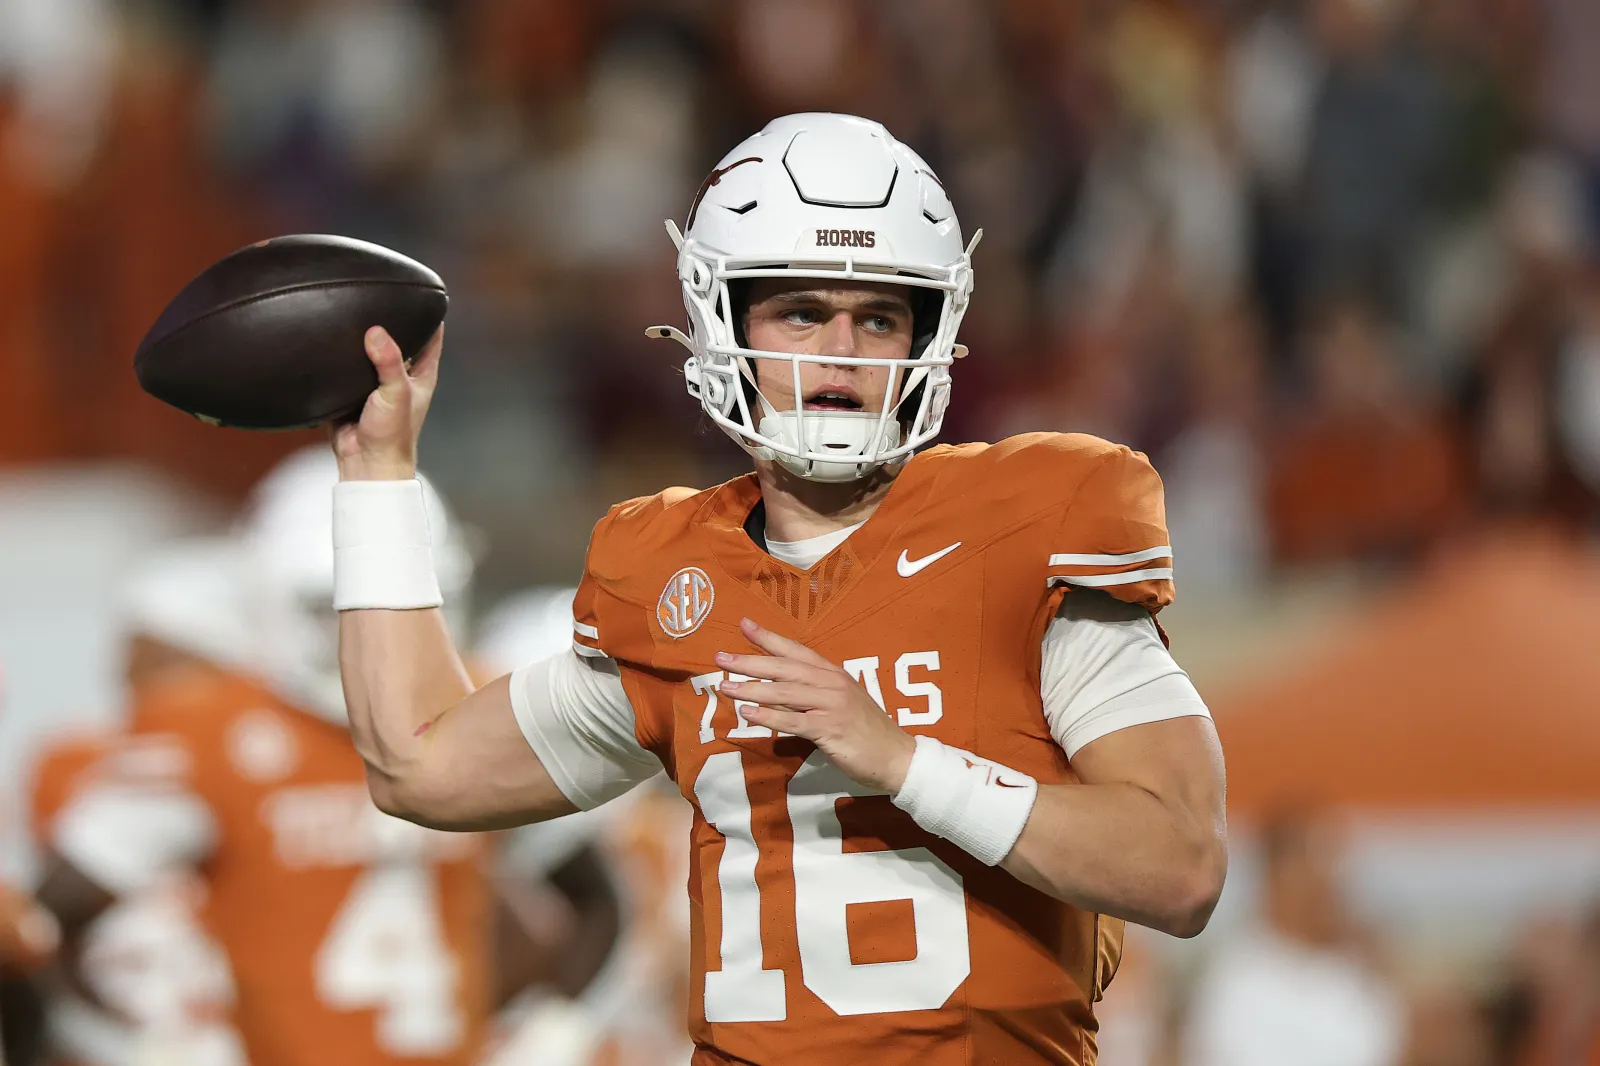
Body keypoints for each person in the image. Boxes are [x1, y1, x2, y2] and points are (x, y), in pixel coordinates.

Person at [334, 113, 1229, 1065]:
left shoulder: (1028, 528)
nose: (838, 350)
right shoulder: (673, 578)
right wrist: (379, 473)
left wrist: (903, 762)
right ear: (726, 324)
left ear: (926, 337)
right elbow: (416, 765)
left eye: (878, 317)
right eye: (801, 311)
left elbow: (1181, 866)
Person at [33, 451, 492, 1066]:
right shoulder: (211, 729)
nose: (378, 631)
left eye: (406, 601)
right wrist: (132, 1041)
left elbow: (564, 889)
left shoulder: (484, 705)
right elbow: (50, 918)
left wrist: (547, 1017)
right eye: (346, 607)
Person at [1181, 807, 1403, 1066]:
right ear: (1278, 877)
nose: (1330, 882)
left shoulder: (1360, 973)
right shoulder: (1236, 982)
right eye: (1315, 862)